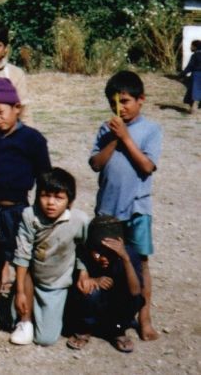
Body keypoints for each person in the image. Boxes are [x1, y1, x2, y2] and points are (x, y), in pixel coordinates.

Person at [0, 78, 51, 339]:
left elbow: (44, 177)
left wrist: (40, 213)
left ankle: (24, 320)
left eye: (0, 112)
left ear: (16, 108)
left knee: (20, 262)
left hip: (18, 211)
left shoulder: (32, 139)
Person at [89, 70, 161, 341]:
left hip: (137, 210)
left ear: (141, 99)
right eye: (114, 103)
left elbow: (147, 166)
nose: (120, 108)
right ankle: (110, 318)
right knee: (107, 264)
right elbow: (96, 164)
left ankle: (144, 318)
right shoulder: (106, 130)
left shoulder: (151, 129)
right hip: (108, 211)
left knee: (139, 263)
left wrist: (127, 138)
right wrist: (115, 138)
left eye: (126, 101)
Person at [11, 168, 89, 346]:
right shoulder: (30, 216)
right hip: (32, 279)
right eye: (45, 196)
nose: (51, 203)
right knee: (10, 321)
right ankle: (26, 320)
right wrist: (20, 292)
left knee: (45, 339)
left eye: (59, 198)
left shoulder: (79, 220)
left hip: (56, 284)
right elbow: (22, 254)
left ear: (70, 201)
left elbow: (85, 249)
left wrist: (83, 271)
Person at [67, 215, 145, 353]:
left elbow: (135, 291)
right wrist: (93, 280)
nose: (103, 258)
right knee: (89, 291)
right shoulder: (85, 253)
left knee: (135, 298)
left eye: (109, 254)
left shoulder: (129, 255)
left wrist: (125, 259)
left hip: (117, 307)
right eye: (98, 253)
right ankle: (86, 328)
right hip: (97, 305)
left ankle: (118, 330)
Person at [181, 39, 201, 114]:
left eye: (191, 46)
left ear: (195, 47)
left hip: (196, 75)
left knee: (194, 91)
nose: (190, 47)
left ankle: (193, 107)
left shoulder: (195, 55)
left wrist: (182, 74)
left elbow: (190, 66)